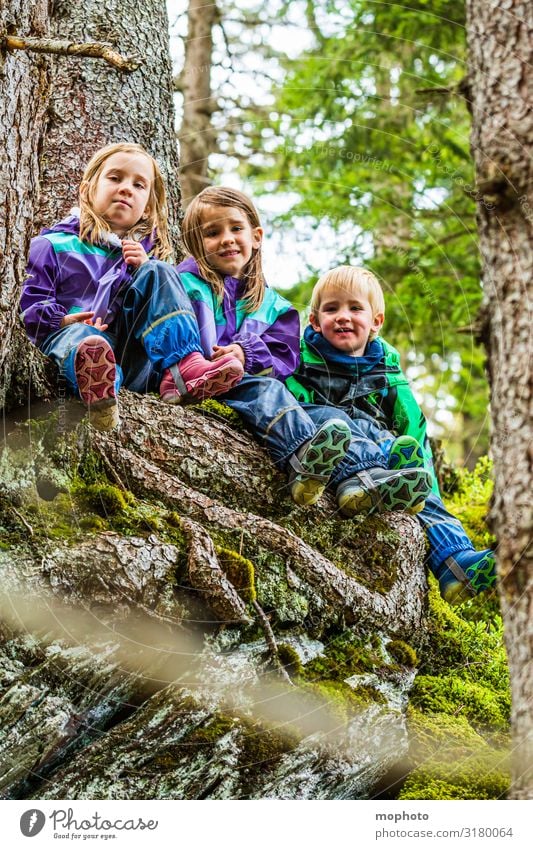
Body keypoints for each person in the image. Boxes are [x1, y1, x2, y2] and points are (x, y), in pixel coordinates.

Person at [286, 266, 497, 604]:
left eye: (355, 308)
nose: (343, 316)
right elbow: (291, 408)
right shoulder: (302, 360)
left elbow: (413, 428)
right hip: (337, 453)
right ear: (314, 320)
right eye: (331, 308)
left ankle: (456, 564)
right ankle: (371, 482)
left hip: (386, 456)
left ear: (376, 322)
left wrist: (425, 478)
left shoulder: (387, 371)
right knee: (339, 420)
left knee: (415, 476)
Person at [21, 143, 245, 431]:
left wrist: (141, 268)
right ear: (88, 189)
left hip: (133, 361)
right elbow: (28, 306)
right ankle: (102, 391)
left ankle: (183, 370)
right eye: (115, 178)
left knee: (160, 271)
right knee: (83, 337)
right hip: (69, 342)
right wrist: (60, 320)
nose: (126, 188)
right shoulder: (51, 245)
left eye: (139, 185)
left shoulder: (143, 260)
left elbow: (157, 308)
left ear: (147, 207)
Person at [165, 186, 353, 506]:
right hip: (203, 382)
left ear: (256, 236)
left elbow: (285, 354)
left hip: (245, 379)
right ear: (197, 245)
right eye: (213, 232)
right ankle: (302, 461)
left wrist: (245, 352)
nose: (227, 238)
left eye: (236, 228)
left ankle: (359, 475)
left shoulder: (272, 305)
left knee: (331, 416)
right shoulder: (181, 282)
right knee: (269, 393)